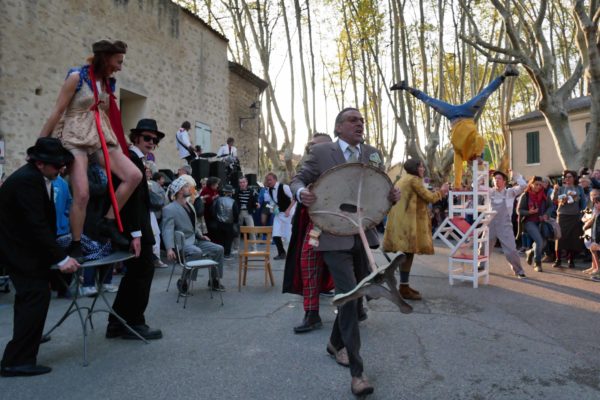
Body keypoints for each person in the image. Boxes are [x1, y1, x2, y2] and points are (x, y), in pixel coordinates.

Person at [291, 107, 401, 396]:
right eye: (353, 120)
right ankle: (358, 372)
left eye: (362, 120)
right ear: (338, 127)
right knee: (350, 298)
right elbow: (298, 179)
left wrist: (392, 196)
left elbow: (380, 189)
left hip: (364, 234)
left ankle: (333, 343)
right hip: (333, 235)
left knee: (357, 295)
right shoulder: (322, 152)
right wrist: (301, 192)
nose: (360, 124)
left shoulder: (372, 154)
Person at [39, 39, 142, 259]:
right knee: (83, 194)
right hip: (75, 137)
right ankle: (76, 243)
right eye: (118, 61)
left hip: (99, 135)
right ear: (105, 58)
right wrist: (40, 143)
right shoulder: (76, 77)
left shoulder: (108, 83)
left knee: (134, 175)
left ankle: (108, 222)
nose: (120, 67)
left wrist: (123, 139)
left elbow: (105, 113)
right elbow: (57, 111)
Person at [0, 137, 80, 377]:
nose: (61, 169)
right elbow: (35, 225)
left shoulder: (35, 177)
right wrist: (61, 258)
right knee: (33, 299)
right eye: (57, 165)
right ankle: (17, 360)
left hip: (25, 251)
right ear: (39, 163)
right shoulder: (27, 181)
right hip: (20, 252)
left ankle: (26, 346)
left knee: (33, 300)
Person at [391, 65, 519, 189]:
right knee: (484, 94)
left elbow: (457, 168)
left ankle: (405, 87)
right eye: (471, 164)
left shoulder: (460, 155)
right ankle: (504, 74)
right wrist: (479, 156)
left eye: (470, 164)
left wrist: (457, 185)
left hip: (452, 116)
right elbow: (480, 139)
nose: (469, 164)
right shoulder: (476, 150)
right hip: (468, 112)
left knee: (429, 101)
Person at [105, 118, 165, 340]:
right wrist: (135, 234)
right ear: (136, 137)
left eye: (155, 139)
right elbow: (129, 202)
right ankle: (135, 323)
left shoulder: (136, 160)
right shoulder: (130, 159)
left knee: (135, 276)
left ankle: (117, 323)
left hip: (138, 227)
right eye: (147, 138)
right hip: (135, 229)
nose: (151, 142)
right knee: (141, 275)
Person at [283, 133, 335, 334]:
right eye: (310, 145)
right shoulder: (308, 165)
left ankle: (353, 308)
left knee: (347, 267)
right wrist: (301, 191)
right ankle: (312, 313)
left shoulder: (343, 161)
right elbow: (297, 181)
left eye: (316, 145)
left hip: (344, 224)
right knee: (308, 262)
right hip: (316, 224)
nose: (312, 149)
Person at [383, 158, 449, 300]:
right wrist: (442, 192)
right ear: (414, 168)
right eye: (420, 167)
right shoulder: (414, 180)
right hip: (408, 225)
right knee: (407, 254)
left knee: (407, 254)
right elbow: (430, 198)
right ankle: (403, 287)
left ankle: (404, 285)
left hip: (402, 223)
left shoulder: (404, 179)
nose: (423, 169)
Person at [161, 177, 226, 292]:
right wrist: (169, 249)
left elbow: (194, 226)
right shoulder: (169, 209)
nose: (190, 188)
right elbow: (167, 230)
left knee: (219, 249)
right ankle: (184, 281)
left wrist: (201, 235)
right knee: (197, 252)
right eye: (186, 186)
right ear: (180, 190)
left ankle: (214, 280)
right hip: (182, 244)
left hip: (195, 241)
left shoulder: (190, 205)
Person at [485, 170, 528, 278]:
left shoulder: (510, 192)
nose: (496, 180)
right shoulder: (489, 192)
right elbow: (474, 186)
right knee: (484, 247)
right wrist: (484, 175)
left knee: (511, 250)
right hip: (490, 224)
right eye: (495, 179)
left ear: (504, 181)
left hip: (505, 225)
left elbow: (523, 186)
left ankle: (519, 270)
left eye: (499, 178)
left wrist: (515, 176)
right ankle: (481, 265)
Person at [516, 176, 554, 272]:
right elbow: (519, 211)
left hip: (542, 222)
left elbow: (551, 206)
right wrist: (529, 212)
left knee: (543, 242)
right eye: (536, 184)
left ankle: (530, 252)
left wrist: (546, 215)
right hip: (529, 222)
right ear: (531, 184)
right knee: (539, 241)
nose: (538, 187)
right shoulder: (525, 195)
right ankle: (537, 263)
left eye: (540, 185)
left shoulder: (545, 194)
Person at [551, 170, 586, 269]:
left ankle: (571, 260)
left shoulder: (579, 188)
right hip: (562, 216)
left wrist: (582, 214)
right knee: (559, 237)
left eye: (569, 177)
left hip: (575, 216)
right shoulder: (561, 188)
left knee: (573, 239)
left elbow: (583, 202)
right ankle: (558, 260)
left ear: (574, 178)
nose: (567, 179)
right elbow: (554, 200)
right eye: (565, 177)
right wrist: (555, 190)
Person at [264, 172, 295, 260]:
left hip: (289, 214)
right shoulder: (269, 190)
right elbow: (272, 203)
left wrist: (289, 210)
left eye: (270, 180)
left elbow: (294, 198)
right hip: (279, 215)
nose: (268, 182)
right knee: (275, 234)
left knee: (290, 235)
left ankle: (293, 254)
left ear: (275, 179)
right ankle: (281, 253)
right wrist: (273, 208)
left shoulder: (284, 187)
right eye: (267, 180)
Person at [212, 184, 239, 258]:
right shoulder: (233, 201)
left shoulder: (218, 200)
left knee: (220, 239)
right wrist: (235, 222)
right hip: (229, 223)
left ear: (224, 192)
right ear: (231, 192)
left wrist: (216, 219)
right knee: (228, 239)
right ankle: (227, 254)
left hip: (219, 223)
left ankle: (220, 254)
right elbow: (236, 213)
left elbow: (213, 211)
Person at [234, 177, 258, 250]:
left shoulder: (251, 191)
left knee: (251, 230)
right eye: (240, 182)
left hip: (248, 212)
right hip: (239, 212)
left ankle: (254, 248)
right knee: (237, 230)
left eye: (243, 182)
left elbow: (255, 201)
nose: (242, 184)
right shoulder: (236, 191)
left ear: (246, 183)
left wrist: (256, 204)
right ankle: (236, 248)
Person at [583, 196, 600, 280]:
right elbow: (592, 221)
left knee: (593, 248)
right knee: (592, 248)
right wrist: (585, 226)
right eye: (595, 203)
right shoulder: (596, 212)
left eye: (597, 203)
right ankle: (598, 269)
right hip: (595, 236)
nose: (596, 205)